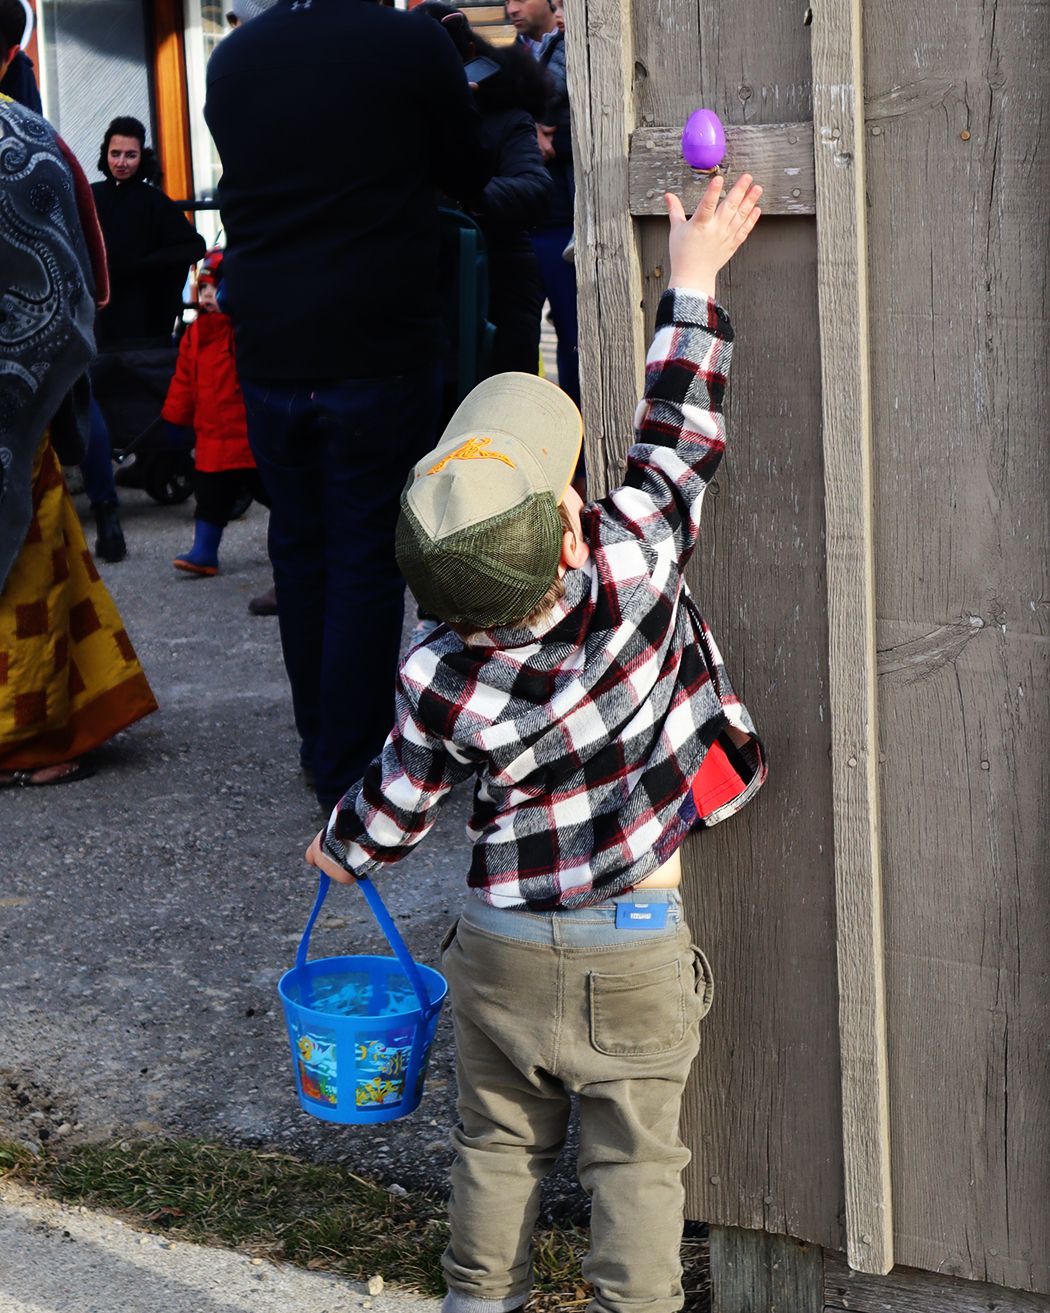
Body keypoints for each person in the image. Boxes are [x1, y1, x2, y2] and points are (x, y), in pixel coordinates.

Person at [306, 174, 766, 1313]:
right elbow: (678, 433)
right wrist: (693, 277)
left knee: (497, 1148)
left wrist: (341, 850)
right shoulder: (635, 559)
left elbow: (399, 800)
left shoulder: (435, 667)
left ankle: (478, 1301)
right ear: (569, 522)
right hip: (635, 940)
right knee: (635, 1163)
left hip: (500, 945)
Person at [204, 0, 489, 812]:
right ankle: (350, 760)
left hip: (269, 337)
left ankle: (319, 740)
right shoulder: (407, 43)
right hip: (374, 335)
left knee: (298, 546)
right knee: (365, 549)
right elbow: (465, 169)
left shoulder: (235, 59)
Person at [0, 46, 158, 788]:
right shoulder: (31, 141)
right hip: (15, 396)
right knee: (28, 553)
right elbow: (87, 278)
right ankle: (27, 733)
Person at [85, 116, 206, 564]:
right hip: (100, 317)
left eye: (130, 154)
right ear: (106, 153)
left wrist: (140, 268)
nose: (121, 162)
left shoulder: (155, 203)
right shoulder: (92, 198)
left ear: (142, 156)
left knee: (139, 388)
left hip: (141, 318)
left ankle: (152, 456)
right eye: (115, 154)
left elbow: (190, 245)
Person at [414, 3, 552, 377]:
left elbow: (534, 188)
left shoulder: (506, 117)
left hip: (500, 278)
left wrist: (465, 192)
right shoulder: (401, 119)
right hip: (427, 285)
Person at [161, 249, 268, 577]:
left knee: (277, 494)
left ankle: (304, 540)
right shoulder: (196, 333)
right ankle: (205, 551)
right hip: (211, 440)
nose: (208, 296)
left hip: (250, 438)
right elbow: (183, 380)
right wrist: (175, 417)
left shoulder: (246, 332)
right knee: (208, 499)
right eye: (204, 289)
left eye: (216, 289)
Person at [506, 0, 578, 404]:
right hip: (522, 224)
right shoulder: (510, 56)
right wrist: (527, 127)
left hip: (563, 220)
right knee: (518, 346)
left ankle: (583, 460)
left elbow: (590, 127)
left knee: (574, 343)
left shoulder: (574, 47)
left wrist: (540, 132)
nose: (511, 7)